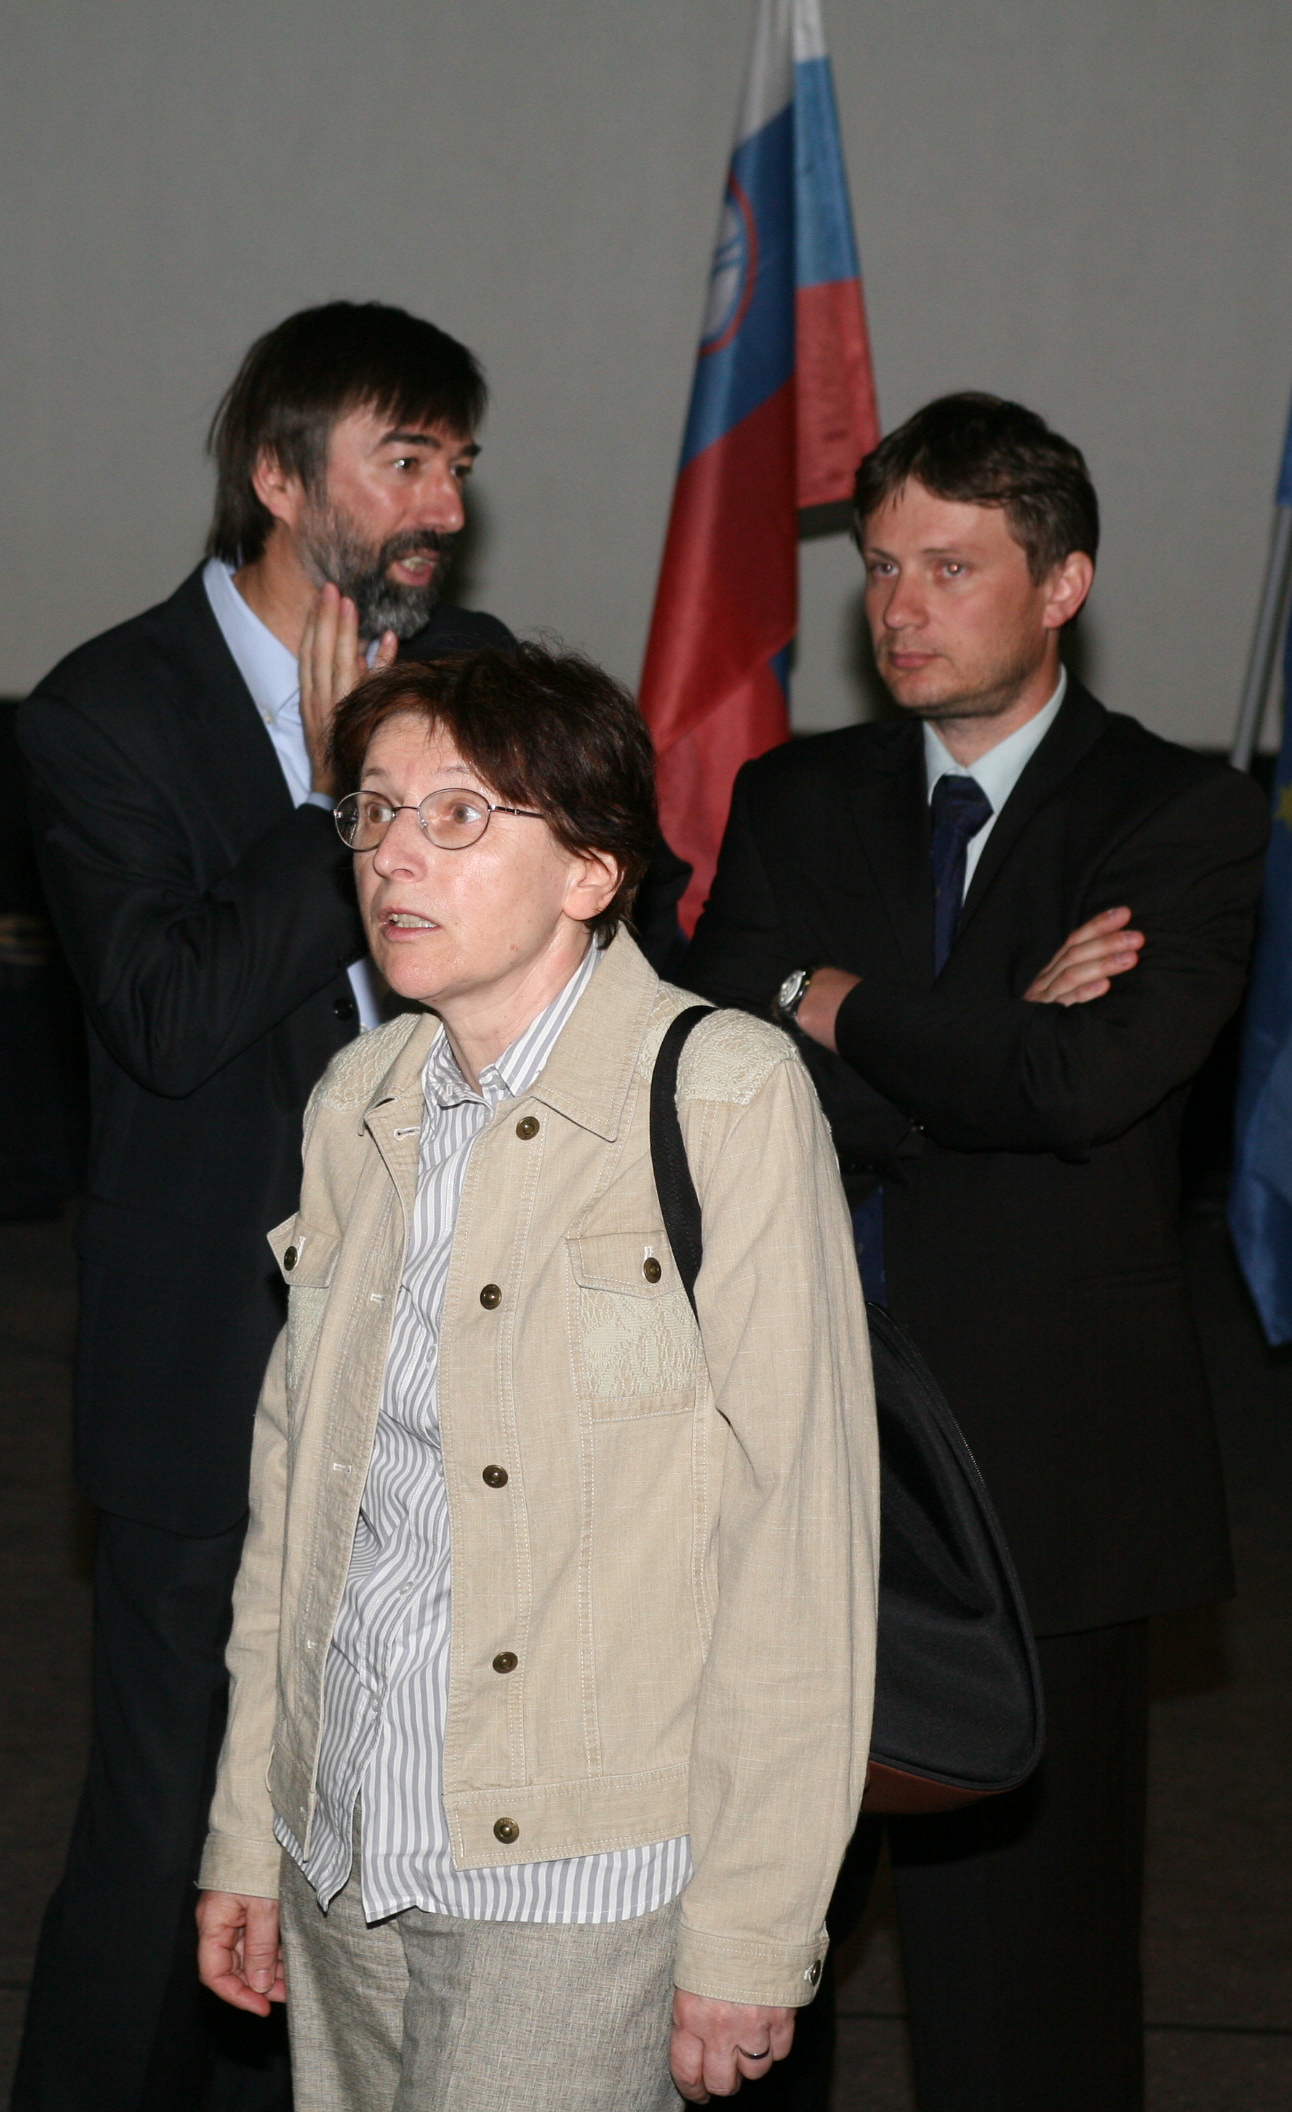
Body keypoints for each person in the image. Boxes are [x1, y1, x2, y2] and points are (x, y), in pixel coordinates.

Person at [680, 393, 1268, 2111]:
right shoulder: (796, 794)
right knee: (731, 1970)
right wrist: (989, 1036)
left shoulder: (1179, 814)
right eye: (880, 567)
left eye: (952, 566)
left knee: (1027, 2001)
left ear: (1063, 582)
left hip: (1040, 1467)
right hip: (775, 1441)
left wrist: (833, 1000)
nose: (901, 607)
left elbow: (1081, 1085)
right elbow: (720, 1072)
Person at [193, 643, 876, 2110]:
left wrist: (753, 1926)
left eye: (457, 814)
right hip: (346, 1845)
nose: (393, 856)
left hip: (576, 1877)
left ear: (591, 870)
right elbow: (300, 1507)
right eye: (374, 810)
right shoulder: (360, 1097)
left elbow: (798, 1547)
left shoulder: (724, 1097)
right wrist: (250, 1828)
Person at [5, 301, 517, 2111]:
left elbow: (629, 915)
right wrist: (341, 801)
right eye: (406, 458)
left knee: (398, 1823)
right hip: (220, 1360)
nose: (445, 501)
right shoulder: (107, 709)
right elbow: (165, 1017)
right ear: (279, 478)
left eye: (459, 462)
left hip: (471, 1335)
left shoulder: (488, 677)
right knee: (173, 1839)